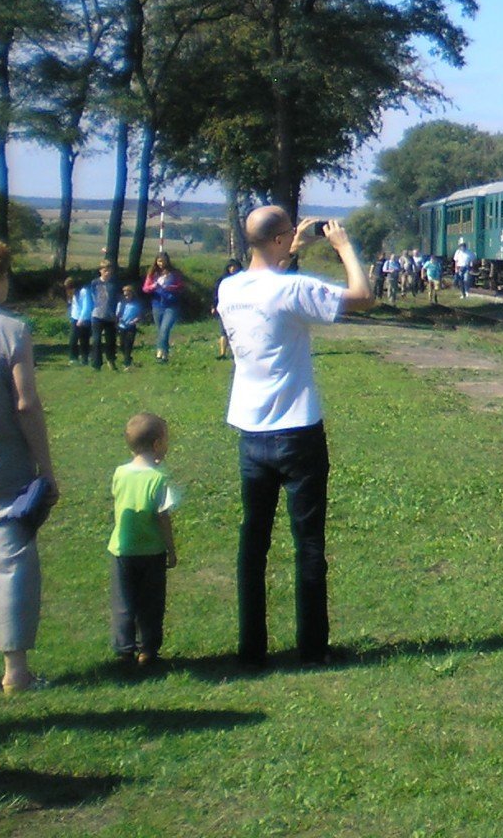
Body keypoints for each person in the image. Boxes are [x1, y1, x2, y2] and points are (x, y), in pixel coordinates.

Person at [217, 207, 373, 668]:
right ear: (283, 238)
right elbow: (362, 296)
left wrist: (290, 247)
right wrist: (343, 247)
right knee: (307, 542)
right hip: (297, 431)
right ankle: (312, 647)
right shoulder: (293, 289)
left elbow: (267, 280)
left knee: (254, 542)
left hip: (251, 430)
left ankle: (251, 649)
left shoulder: (229, 288)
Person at [0, 239, 55, 693]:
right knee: (11, 563)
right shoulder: (11, 329)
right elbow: (26, 404)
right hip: (3, 464)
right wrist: (45, 468)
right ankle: (16, 672)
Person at [107, 412, 179, 666]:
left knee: (123, 602)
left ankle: (124, 650)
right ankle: (147, 650)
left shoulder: (120, 473)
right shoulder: (159, 478)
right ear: (158, 444)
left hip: (122, 550)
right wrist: (171, 549)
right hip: (151, 551)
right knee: (151, 603)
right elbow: (163, 517)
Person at [144, 255, 187, 362]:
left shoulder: (174, 273)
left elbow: (181, 286)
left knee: (165, 329)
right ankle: (165, 354)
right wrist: (153, 287)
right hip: (157, 305)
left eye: (163, 261)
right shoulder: (153, 274)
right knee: (161, 331)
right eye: (159, 261)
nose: (161, 263)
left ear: (167, 261)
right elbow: (145, 288)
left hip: (171, 306)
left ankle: (159, 353)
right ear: (156, 261)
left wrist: (170, 287)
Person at [82, 263, 120, 371]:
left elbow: (117, 299)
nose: (107, 272)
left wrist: (117, 314)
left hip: (110, 315)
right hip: (97, 315)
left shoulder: (114, 283)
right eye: (105, 270)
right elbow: (91, 297)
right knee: (96, 340)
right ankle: (96, 364)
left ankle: (111, 360)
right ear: (100, 271)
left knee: (110, 340)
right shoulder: (94, 283)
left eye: (109, 270)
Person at [66, 273, 94, 367]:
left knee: (84, 340)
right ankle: (73, 358)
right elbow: (73, 306)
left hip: (84, 319)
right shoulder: (73, 293)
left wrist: (81, 319)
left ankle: (85, 359)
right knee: (73, 339)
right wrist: (71, 317)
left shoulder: (84, 291)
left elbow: (87, 306)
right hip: (75, 317)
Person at [115, 284, 145, 367]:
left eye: (128, 294)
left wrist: (134, 321)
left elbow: (140, 315)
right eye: (125, 295)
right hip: (122, 326)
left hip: (131, 327)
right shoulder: (121, 303)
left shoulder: (136, 304)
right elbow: (117, 314)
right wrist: (119, 318)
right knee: (122, 345)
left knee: (128, 344)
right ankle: (127, 358)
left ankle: (127, 362)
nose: (127, 296)